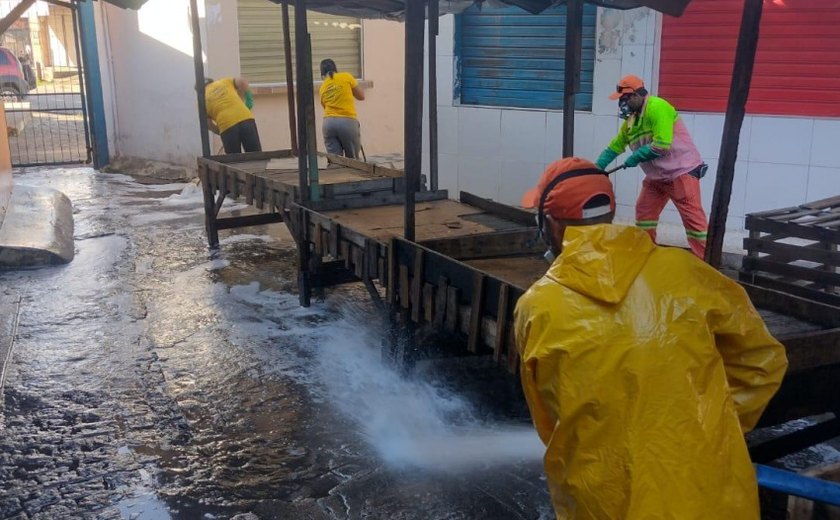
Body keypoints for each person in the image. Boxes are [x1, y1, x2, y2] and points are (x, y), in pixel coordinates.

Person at [515, 157, 788, 519]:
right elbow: (762, 361)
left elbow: (549, 419)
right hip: (710, 496)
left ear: (550, 222)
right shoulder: (687, 272)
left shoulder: (537, 307)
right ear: (610, 213)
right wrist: (709, 425)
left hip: (606, 502)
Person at [595, 75, 709, 258]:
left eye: (624, 99)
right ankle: (645, 257)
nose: (622, 104)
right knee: (644, 213)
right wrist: (596, 169)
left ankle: (707, 265)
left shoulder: (658, 107)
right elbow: (615, 146)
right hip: (657, 178)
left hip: (681, 173)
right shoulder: (631, 121)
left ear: (635, 96)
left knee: (694, 224)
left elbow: (662, 144)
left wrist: (636, 157)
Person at [319, 58, 364, 158]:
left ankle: (337, 172)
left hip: (328, 124)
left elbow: (325, 106)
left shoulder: (322, 87)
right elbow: (361, 96)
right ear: (335, 68)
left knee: (335, 161)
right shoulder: (346, 76)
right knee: (353, 161)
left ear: (322, 74)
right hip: (347, 122)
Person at [204, 77, 261, 154]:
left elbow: (208, 124)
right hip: (245, 118)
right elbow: (242, 81)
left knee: (234, 160)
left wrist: (220, 132)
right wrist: (248, 98)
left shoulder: (200, 100)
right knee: (256, 155)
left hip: (226, 125)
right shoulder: (224, 81)